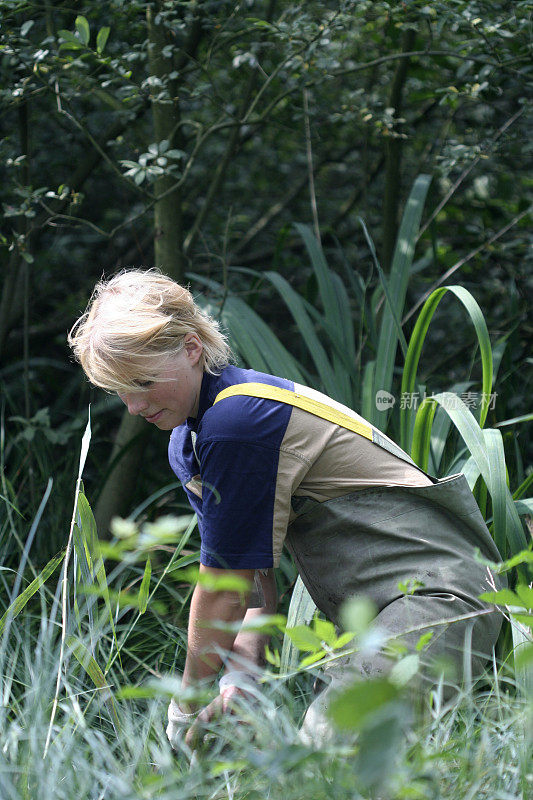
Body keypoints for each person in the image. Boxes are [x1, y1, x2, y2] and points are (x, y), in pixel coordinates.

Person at [68, 268, 505, 748]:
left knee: (330, 751)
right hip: (379, 618)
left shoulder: (237, 421)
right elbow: (253, 584)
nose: (132, 405)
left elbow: (222, 590)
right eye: (118, 390)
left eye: (143, 381)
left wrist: (184, 704)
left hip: (438, 597)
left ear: (191, 348)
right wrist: (241, 680)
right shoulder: (191, 441)